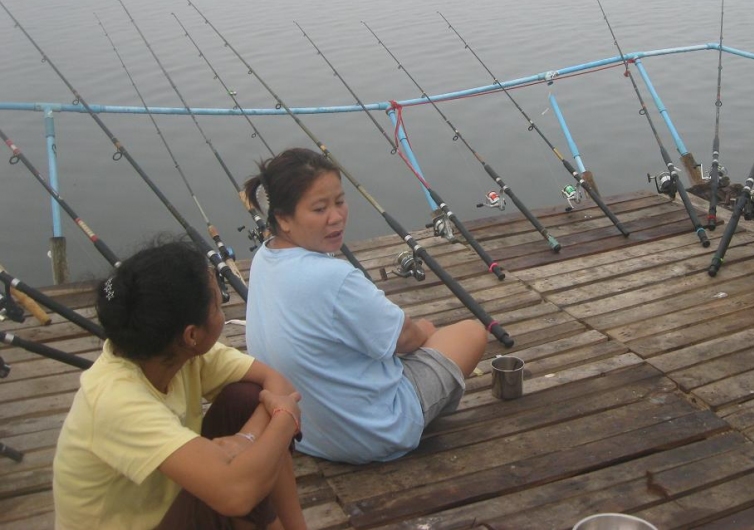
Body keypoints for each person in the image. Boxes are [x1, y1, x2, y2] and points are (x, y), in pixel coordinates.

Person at [242, 148, 488, 465]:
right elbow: (408, 338)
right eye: (319, 209)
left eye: (339, 202)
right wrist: (425, 331)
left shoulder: (264, 257)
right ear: (283, 219)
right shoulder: (335, 277)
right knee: (470, 332)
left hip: (303, 431)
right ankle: (417, 412)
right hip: (373, 435)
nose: (336, 217)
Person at [53, 240, 307, 530]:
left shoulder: (173, 352)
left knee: (247, 399)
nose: (222, 308)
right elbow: (236, 494)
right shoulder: (115, 400)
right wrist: (284, 418)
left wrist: (246, 438)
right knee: (244, 473)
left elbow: (278, 384)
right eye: (217, 304)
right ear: (191, 335)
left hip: (171, 507)